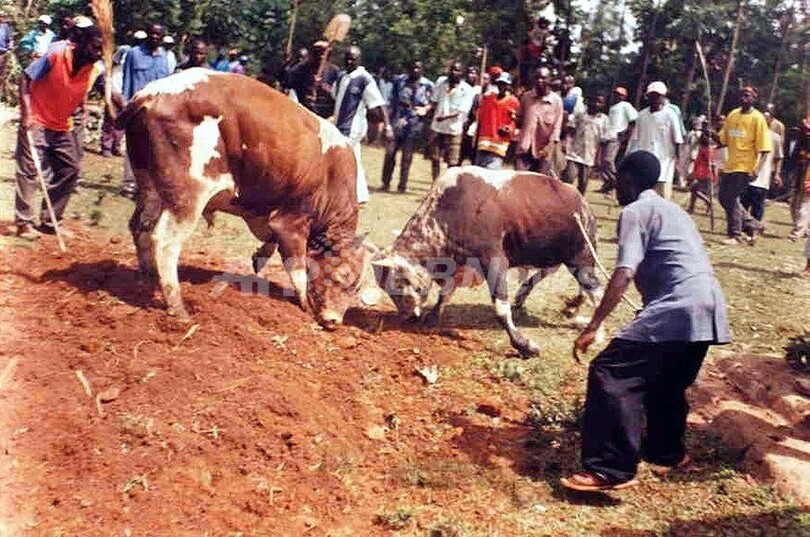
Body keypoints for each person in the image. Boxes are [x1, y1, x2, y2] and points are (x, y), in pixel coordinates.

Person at [560, 150, 731, 492]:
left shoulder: (635, 211)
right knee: (667, 381)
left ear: (628, 180)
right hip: (709, 307)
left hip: (677, 307)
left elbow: (625, 272)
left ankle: (610, 468)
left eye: (616, 181)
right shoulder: (676, 211)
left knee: (610, 373)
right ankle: (667, 452)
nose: (614, 187)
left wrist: (594, 325)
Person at [14, 22, 104, 240]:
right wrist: (26, 113)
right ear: (81, 43)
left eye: (102, 50)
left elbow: (108, 92)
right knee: (29, 171)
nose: (98, 53)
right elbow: (26, 78)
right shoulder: (56, 53)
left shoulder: (94, 67)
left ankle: (50, 220)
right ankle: (24, 223)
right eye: (95, 47)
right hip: (36, 119)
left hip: (61, 123)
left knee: (70, 169)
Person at [332, 45, 393, 204]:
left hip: (352, 128)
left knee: (344, 160)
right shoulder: (342, 77)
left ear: (359, 60)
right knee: (353, 159)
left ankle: (349, 195)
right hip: (338, 126)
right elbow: (335, 97)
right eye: (347, 58)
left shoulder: (365, 79)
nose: (349, 61)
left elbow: (379, 103)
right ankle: (359, 195)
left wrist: (387, 127)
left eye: (353, 59)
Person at [717, 86, 772, 244]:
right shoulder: (733, 115)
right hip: (730, 164)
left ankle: (735, 234)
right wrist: (711, 134)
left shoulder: (758, 118)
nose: (744, 98)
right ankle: (753, 223)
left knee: (731, 198)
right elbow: (723, 140)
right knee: (723, 198)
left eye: (747, 95)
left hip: (745, 166)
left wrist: (757, 169)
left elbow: (765, 149)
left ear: (754, 98)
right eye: (742, 95)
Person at [120, 23, 171, 197]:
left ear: (162, 37)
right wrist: (126, 105)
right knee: (134, 146)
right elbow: (127, 80)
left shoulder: (164, 57)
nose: (155, 37)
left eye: (158, 34)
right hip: (137, 108)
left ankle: (147, 185)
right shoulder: (134, 53)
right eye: (152, 33)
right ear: (147, 34)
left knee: (154, 148)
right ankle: (129, 184)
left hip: (157, 111)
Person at [380, 60, 433, 193]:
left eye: (418, 68)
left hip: (415, 124)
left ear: (422, 70)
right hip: (398, 121)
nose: (415, 70)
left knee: (407, 157)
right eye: (413, 67)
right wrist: (387, 124)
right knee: (390, 153)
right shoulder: (399, 81)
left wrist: (426, 109)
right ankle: (385, 182)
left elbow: (434, 103)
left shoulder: (428, 85)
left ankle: (402, 185)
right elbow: (392, 101)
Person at [627, 81, 683, 200]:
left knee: (663, 196)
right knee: (642, 195)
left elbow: (678, 140)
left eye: (658, 96)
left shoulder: (670, 115)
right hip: (645, 162)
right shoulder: (641, 115)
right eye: (652, 95)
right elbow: (635, 139)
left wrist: (678, 162)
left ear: (663, 97)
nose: (655, 99)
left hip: (664, 163)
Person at [428, 61, 476, 180]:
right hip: (437, 127)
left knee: (453, 161)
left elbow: (461, 111)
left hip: (454, 128)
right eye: (452, 69)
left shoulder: (467, 89)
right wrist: (426, 109)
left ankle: (449, 185)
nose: (454, 72)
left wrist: (444, 117)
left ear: (462, 73)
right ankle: (435, 182)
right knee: (435, 158)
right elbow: (434, 101)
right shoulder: (441, 82)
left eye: (457, 70)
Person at [515, 66, 563, 175]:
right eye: (537, 78)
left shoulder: (557, 102)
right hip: (525, 148)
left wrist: (548, 147)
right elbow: (519, 119)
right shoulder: (526, 97)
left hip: (544, 151)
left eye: (543, 78)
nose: (539, 81)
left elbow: (557, 129)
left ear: (550, 80)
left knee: (539, 182)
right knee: (520, 179)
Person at [740, 124, 783, 236]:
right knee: (742, 204)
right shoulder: (748, 132)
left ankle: (753, 231)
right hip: (745, 174)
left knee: (757, 207)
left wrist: (777, 174)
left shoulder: (774, 137)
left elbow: (778, 157)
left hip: (762, 177)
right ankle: (741, 229)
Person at [564, 94, 610, 194]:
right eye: (594, 101)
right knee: (569, 177)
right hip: (574, 153)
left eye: (600, 102)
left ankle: (578, 201)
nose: (596, 104)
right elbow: (570, 130)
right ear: (589, 102)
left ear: (603, 105)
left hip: (590, 155)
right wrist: (567, 145)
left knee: (583, 183)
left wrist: (599, 158)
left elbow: (603, 141)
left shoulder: (604, 120)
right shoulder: (580, 115)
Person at [283, 40, 341, 118]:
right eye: (317, 52)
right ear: (311, 53)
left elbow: (339, 96)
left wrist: (326, 89)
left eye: (324, 53)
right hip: (303, 114)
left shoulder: (335, 72)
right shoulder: (299, 70)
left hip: (326, 117)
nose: (321, 56)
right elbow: (288, 89)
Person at [474, 72, 519, 170]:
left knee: (491, 173)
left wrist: (508, 129)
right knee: (478, 172)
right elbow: (480, 118)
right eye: (500, 83)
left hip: (499, 145)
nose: (501, 86)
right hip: (484, 142)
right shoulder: (488, 99)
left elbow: (515, 122)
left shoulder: (513, 102)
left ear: (509, 86)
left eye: (504, 84)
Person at [100, 44, 130, 157]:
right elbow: (107, 75)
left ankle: (116, 146)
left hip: (124, 93)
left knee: (122, 123)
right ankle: (106, 147)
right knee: (109, 120)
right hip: (113, 90)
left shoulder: (134, 58)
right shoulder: (123, 52)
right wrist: (109, 92)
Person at [686, 129, 717, 214]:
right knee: (694, 189)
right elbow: (698, 160)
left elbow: (713, 164)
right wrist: (694, 171)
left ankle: (707, 202)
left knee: (695, 190)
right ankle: (692, 207)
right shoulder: (703, 147)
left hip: (706, 173)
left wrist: (715, 175)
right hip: (700, 172)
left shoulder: (709, 149)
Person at [0, 10, 13, 89]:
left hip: (3, 52)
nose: (2, 18)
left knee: (2, 72)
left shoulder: (5, 27)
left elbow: (10, 39)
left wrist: (10, 47)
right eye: (1, 16)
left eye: (3, 16)